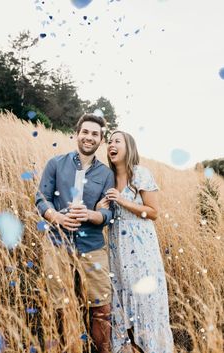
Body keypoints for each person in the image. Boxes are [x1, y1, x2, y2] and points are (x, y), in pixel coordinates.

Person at [35, 113, 115, 353]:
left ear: (101, 140)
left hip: (92, 246)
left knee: (101, 307)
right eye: (85, 132)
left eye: (95, 134)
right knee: (61, 306)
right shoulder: (56, 163)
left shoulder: (106, 174)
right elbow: (41, 199)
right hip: (57, 243)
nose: (89, 138)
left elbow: (109, 214)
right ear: (77, 134)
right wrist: (57, 217)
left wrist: (92, 215)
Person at [99, 130, 174, 353]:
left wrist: (121, 200)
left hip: (141, 249)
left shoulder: (140, 173)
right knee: (121, 299)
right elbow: (108, 215)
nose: (111, 145)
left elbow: (153, 212)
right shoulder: (108, 179)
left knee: (144, 300)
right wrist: (101, 208)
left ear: (129, 147)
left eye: (117, 141)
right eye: (109, 142)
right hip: (116, 250)